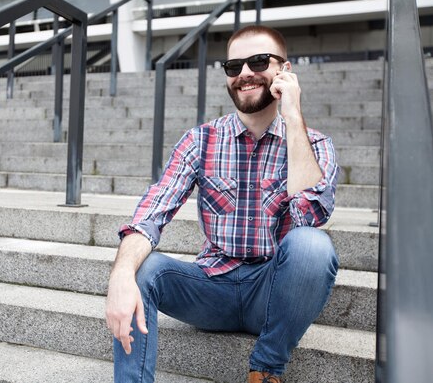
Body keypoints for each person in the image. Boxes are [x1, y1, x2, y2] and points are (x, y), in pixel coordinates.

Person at [104, 25, 340, 383]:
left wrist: (292, 116)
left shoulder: (315, 145)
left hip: (273, 291)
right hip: (211, 289)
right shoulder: (201, 140)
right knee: (142, 267)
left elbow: (310, 215)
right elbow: (151, 213)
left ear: (285, 71)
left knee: (312, 246)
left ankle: (266, 369)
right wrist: (121, 275)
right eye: (234, 66)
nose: (245, 73)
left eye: (258, 61)